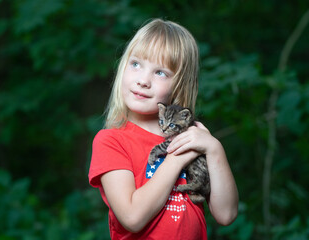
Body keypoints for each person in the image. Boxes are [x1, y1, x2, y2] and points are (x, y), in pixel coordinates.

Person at [88, 18, 238, 240]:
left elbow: (226, 214)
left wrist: (214, 149)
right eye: (136, 64)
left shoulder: (193, 137)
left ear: (179, 84)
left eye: (160, 73)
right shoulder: (111, 141)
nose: (143, 80)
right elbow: (132, 218)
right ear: (123, 67)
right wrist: (176, 158)